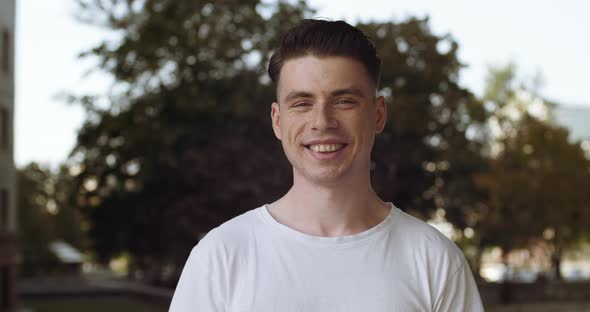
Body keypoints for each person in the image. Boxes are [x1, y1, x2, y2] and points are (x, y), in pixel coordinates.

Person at [169, 19, 484, 311]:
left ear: (378, 115)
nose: (322, 122)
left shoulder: (435, 261)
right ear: (278, 121)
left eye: (344, 101)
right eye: (303, 103)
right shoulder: (221, 256)